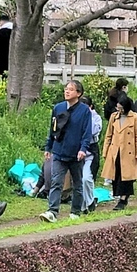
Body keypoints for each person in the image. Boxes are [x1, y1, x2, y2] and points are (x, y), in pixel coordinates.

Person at [40, 80, 93, 222]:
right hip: (59, 152)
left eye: (71, 89)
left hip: (76, 154)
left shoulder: (84, 111)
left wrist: (83, 149)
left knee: (77, 183)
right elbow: (53, 129)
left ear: (79, 93)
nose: (67, 91)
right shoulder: (58, 108)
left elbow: (87, 132)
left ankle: (75, 211)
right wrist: (48, 147)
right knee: (56, 181)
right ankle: (52, 211)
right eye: (66, 88)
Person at [100, 94, 137, 210]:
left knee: (126, 177)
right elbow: (108, 135)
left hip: (128, 152)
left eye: (121, 108)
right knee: (116, 174)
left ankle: (123, 199)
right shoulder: (114, 117)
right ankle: (119, 195)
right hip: (115, 150)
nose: (119, 110)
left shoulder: (134, 117)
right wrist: (105, 151)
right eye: (118, 108)